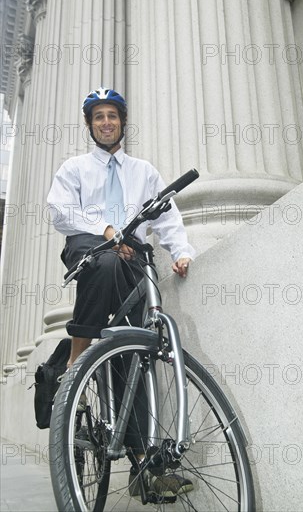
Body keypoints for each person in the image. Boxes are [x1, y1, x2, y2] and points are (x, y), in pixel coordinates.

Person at [47, 87, 195, 498]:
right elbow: (61, 211)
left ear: (122, 123)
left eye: (112, 116)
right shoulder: (74, 168)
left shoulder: (143, 170)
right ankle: (78, 354)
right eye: (99, 118)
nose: (106, 123)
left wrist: (180, 252)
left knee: (133, 358)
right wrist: (108, 231)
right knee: (106, 259)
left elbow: (166, 215)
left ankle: (144, 468)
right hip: (90, 248)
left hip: (132, 258)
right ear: (90, 125)